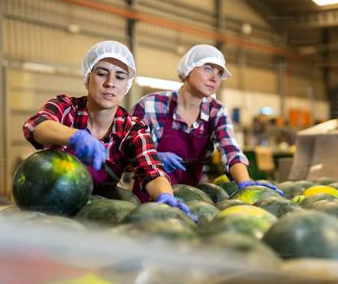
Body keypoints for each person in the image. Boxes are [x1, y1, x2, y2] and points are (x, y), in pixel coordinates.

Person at [23, 41, 196, 221]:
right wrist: (74, 136)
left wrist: (165, 196)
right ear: (88, 77)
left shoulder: (133, 128)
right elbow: (35, 125)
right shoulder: (66, 108)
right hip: (51, 205)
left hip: (99, 212)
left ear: (126, 86)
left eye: (120, 77)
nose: (110, 83)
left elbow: (152, 169)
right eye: (101, 74)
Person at [131, 44, 282, 201]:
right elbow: (125, 154)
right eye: (208, 68)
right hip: (148, 199)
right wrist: (153, 158)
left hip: (190, 199)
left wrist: (246, 183)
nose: (214, 78)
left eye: (220, 73)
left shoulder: (216, 111)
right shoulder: (151, 105)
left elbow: (231, 151)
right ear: (188, 69)